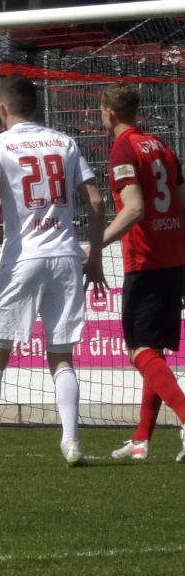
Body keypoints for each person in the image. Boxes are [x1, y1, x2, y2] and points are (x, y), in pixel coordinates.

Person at [0, 74, 106, 470]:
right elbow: (96, 200)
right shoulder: (64, 142)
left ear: (2, 108)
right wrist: (95, 255)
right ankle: (71, 440)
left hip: (23, 258)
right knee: (62, 355)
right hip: (66, 256)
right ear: (35, 107)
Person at [95, 84, 185, 461]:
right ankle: (141, 438)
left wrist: (94, 245)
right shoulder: (162, 146)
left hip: (146, 260)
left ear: (110, 113)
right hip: (174, 257)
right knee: (155, 351)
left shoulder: (123, 149)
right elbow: (181, 203)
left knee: (140, 350)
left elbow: (133, 209)